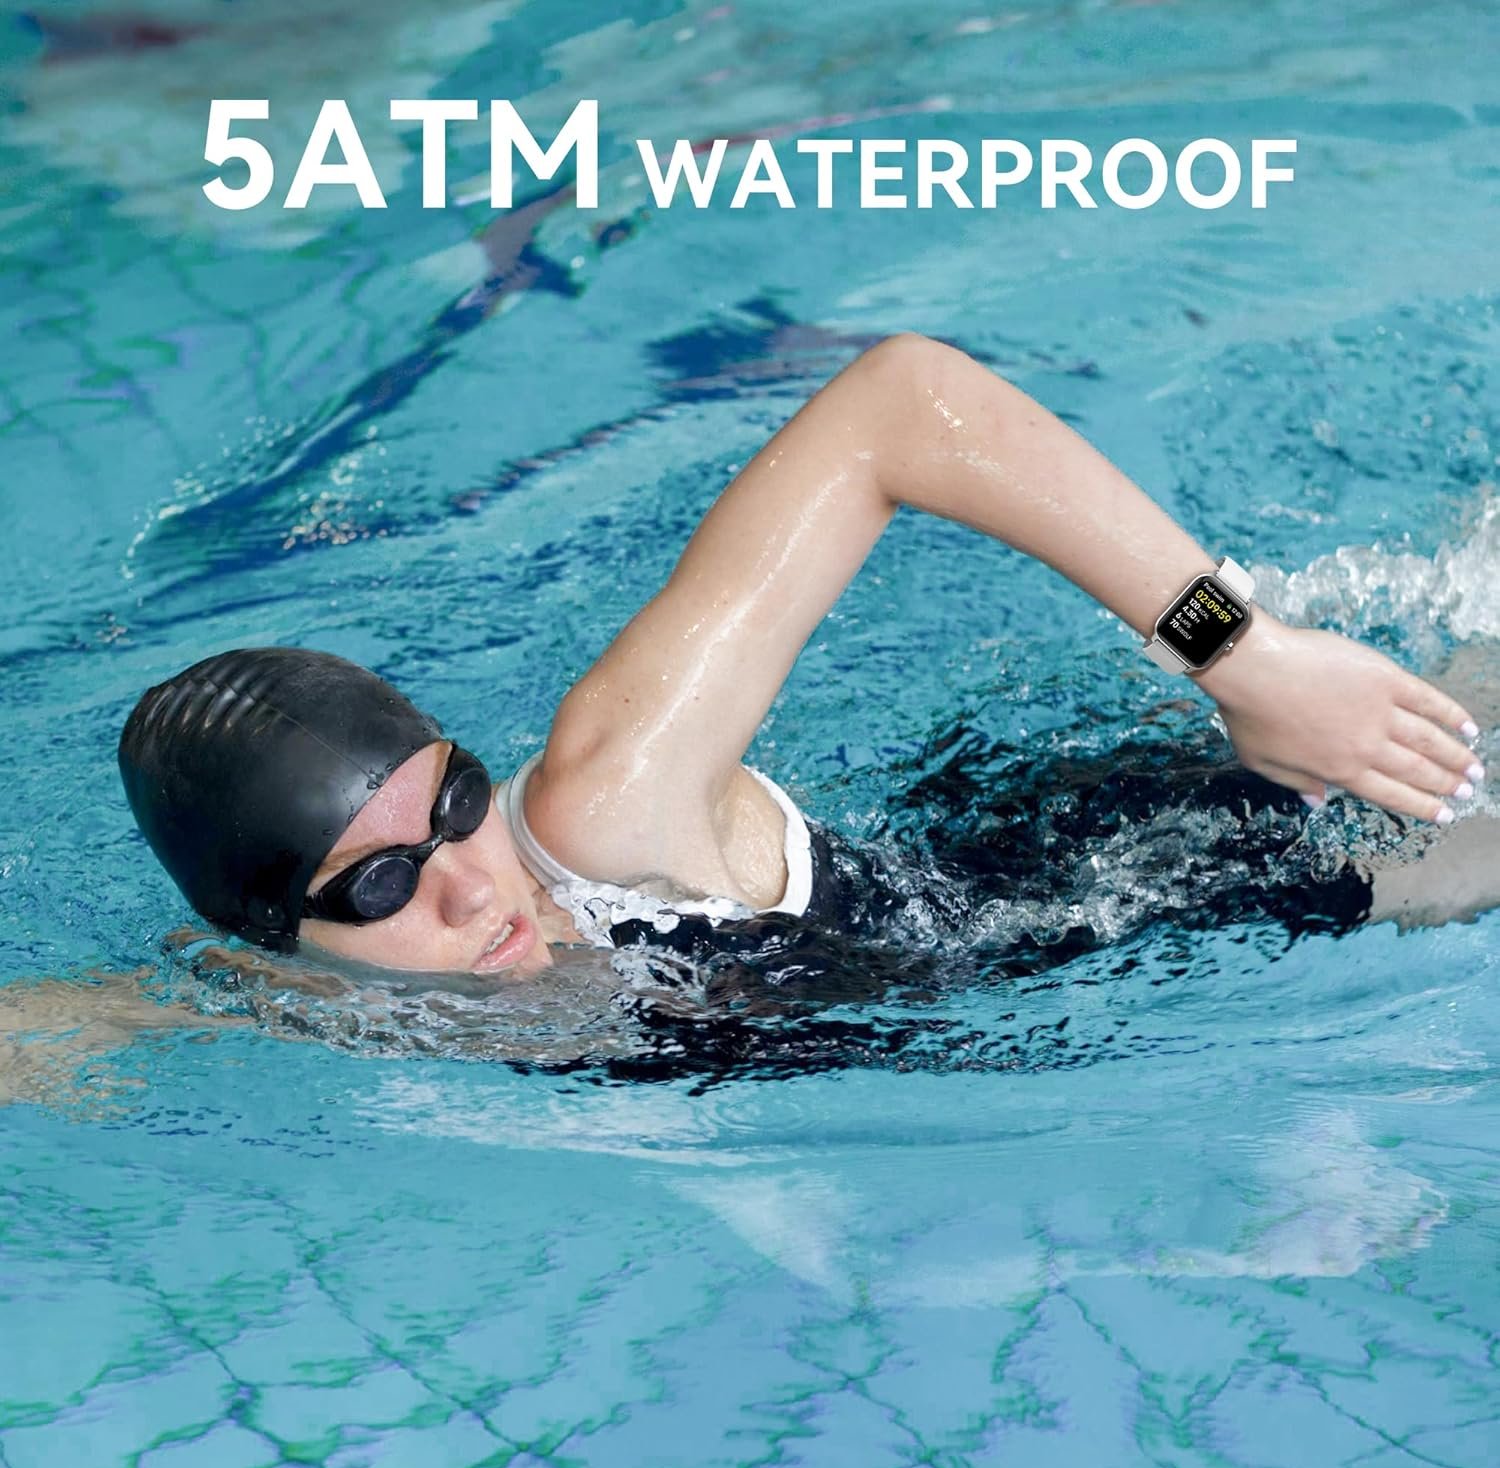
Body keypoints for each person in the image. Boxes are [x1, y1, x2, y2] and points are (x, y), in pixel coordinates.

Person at [117, 334, 1489, 982]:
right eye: (384, 885)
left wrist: (1244, 655)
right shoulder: (310, 994)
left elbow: (901, 405)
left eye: (458, 803)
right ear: (279, 936)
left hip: (1248, 850)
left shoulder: (603, 813)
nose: (474, 885)